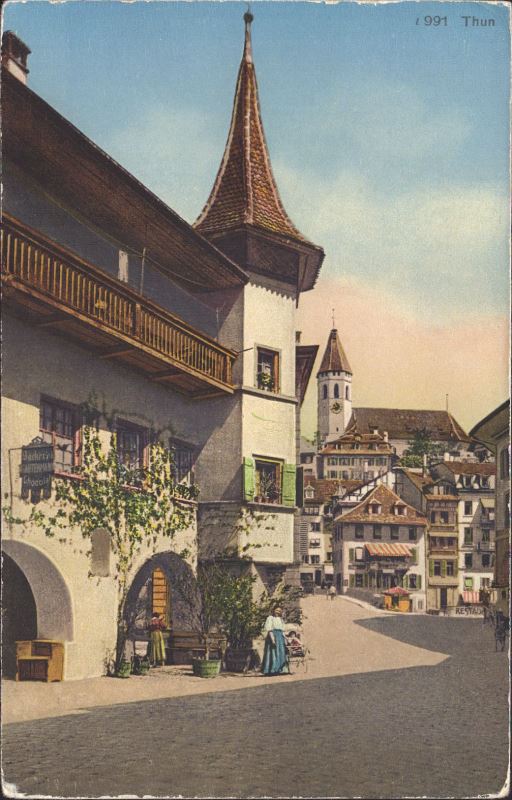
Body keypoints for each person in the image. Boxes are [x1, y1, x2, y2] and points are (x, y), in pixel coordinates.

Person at [261, 606, 289, 675]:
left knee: (281, 652)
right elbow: (269, 630)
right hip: (273, 636)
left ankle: (281, 669)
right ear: (273, 610)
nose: (278, 612)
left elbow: (282, 630)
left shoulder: (281, 619)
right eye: (276, 610)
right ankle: (272, 670)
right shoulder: (270, 618)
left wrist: (285, 639)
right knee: (273, 652)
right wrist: (273, 639)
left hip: (280, 637)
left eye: (279, 611)